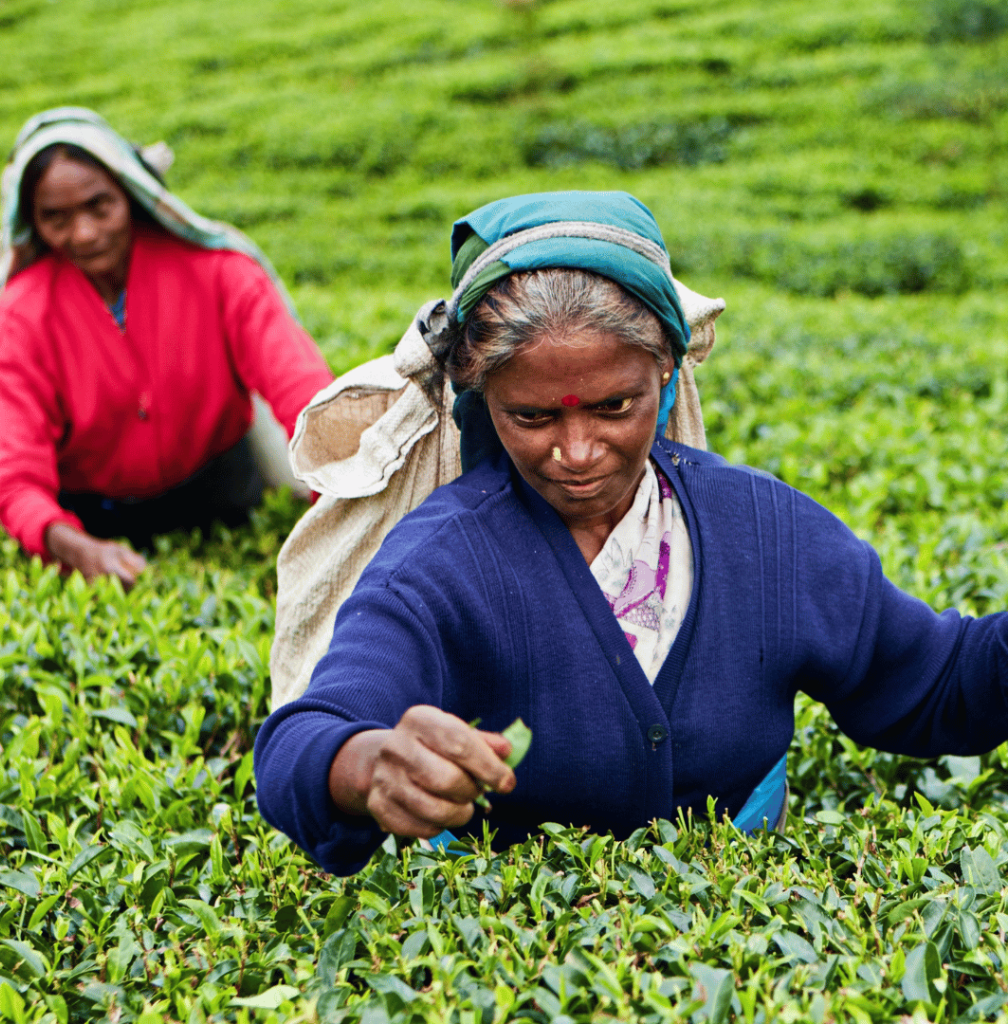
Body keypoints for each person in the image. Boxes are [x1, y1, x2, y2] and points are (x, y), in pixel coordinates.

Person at [253, 191, 1008, 877]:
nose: (576, 452)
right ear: (483, 399)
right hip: (522, 939)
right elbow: (305, 737)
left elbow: (935, 681)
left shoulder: (764, 532)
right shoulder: (443, 563)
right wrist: (364, 765)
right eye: (533, 416)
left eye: (615, 407)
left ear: (667, 371)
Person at [0, 108, 335, 588]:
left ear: (130, 193)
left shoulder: (218, 272)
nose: (84, 233)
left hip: (225, 494)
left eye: (98, 205)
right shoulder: (18, 318)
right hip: (96, 519)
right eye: (56, 218)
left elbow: (302, 392)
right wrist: (74, 545)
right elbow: (14, 472)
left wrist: (336, 499)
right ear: (32, 221)